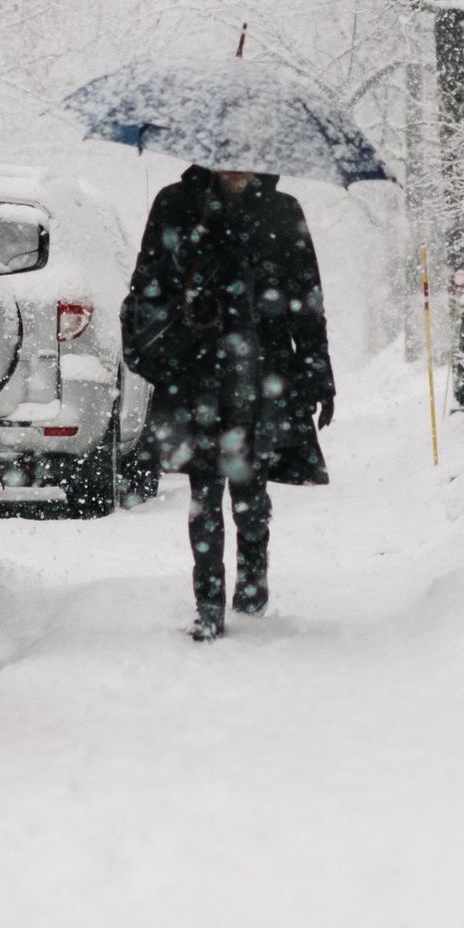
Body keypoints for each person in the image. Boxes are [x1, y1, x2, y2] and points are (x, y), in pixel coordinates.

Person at [123, 165, 334, 641]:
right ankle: (209, 602)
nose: (238, 167)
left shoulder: (282, 212)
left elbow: (307, 298)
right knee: (204, 489)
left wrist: (320, 375)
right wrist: (190, 269)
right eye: (229, 157)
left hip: (262, 373)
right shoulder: (176, 203)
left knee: (251, 486)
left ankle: (253, 590)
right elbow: (146, 284)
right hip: (194, 369)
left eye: (248, 157)